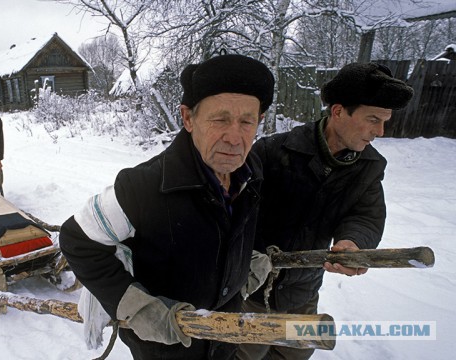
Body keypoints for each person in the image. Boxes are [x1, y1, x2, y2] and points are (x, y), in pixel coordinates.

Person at [59, 54, 275, 360]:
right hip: (166, 349)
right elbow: (76, 238)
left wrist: (240, 272)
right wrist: (139, 309)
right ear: (188, 118)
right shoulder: (144, 186)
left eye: (246, 121)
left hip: (223, 341)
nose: (234, 137)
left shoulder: (251, 174)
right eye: (220, 119)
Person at [236, 62, 414, 360]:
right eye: (373, 119)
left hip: (303, 291)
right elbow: (233, 208)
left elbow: (365, 215)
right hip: (250, 289)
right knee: (243, 352)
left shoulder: (369, 167)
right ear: (339, 111)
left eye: (385, 121)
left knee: (293, 354)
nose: (380, 131)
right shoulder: (273, 151)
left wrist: (353, 243)